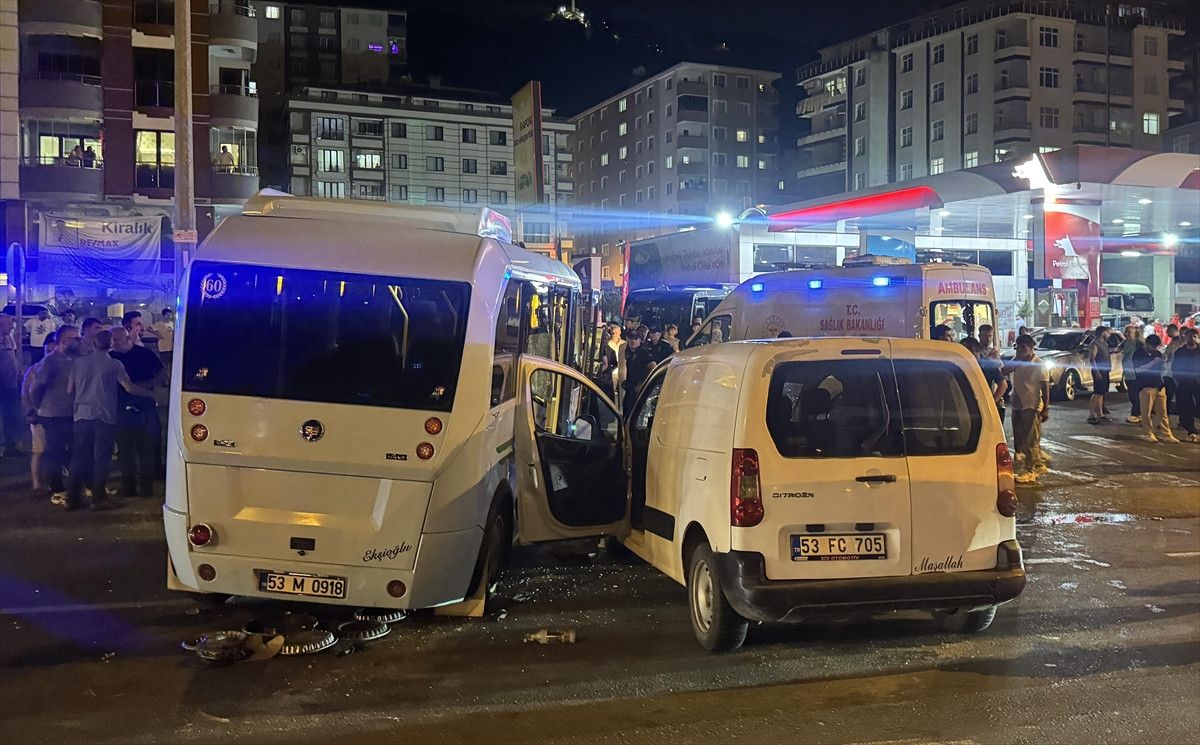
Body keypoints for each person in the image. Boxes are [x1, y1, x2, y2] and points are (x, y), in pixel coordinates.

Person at [65, 330, 153, 510]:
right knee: (101, 458)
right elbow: (128, 387)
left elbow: (69, 390)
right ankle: (98, 498)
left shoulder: (78, 363)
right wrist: (149, 394)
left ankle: (72, 498)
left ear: (93, 343)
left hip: (81, 415)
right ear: (110, 344)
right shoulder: (114, 364)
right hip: (105, 416)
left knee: (79, 456)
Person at [110, 326, 165, 498]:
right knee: (125, 449)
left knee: (148, 446)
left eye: (117, 339)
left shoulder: (144, 354)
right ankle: (129, 486)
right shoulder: (111, 357)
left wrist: (150, 385)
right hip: (121, 406)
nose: (114, 343)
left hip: (144, 405)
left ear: (127, 338)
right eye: (112, 340)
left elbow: (162, 373)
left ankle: (149, 484)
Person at [29, 325, 79, 503]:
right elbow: (35, 387)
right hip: (53, 413)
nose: (79, 341)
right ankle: (57, 488)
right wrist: (38, 407)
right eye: (75, 338)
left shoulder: (73, 359)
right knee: (55, 452)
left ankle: (73, 486)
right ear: (64, 341)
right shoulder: (51, 361)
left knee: (73, 450)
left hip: (71, 412)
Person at [1009, 334, 1050, 483]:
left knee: (1030, 438)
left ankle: (1030, 470)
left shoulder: (1038, 363)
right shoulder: (1017, 361)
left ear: (1031, 348)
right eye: (1018, 347)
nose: (1020, 350)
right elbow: (1004, 371)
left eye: (1023, 347)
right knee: (1020, 436)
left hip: (1031, 405)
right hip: (1017, 404)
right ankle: (1037, 464)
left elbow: (1045, 387)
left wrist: (1045, 408)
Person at [21, 334, 53, 498]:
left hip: (52, 413)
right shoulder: (35, 369)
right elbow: (25, 393)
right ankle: (36, 483)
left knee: (47, 449)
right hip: (39, 414)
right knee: (39, 449)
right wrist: (30, 411)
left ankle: (47, 481)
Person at [1131, 334, 1177, 444]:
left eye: (1156, 347)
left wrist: (1164, 362)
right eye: (1152, 346)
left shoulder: (1157, 353)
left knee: (1163, 412)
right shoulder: (1138, 354)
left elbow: (1162, 369)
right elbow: (1138, 370)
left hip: (1159, 385)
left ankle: (1167, 434)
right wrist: (1153, 362)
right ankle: (1148, 433)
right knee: (1146, 413)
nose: (1154, 349)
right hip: (1145, 386)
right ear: (1147, 343)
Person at [963, 337, 1009, 422]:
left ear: (975, 351)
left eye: (967, 351)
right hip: (965, 405)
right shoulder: (961, 365)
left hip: (983, 405)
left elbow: (1003, 385)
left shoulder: (987, 365)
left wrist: (991, 403)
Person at [0, 314, 22, 457]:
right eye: (9, 324)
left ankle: (10, 446)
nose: (11, 327)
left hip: (11, 384)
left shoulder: (8, 338)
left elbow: (13, 357)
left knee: (12, 415)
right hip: (2, 385)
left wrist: (18, 372)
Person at [1173, 328, 1200, 443]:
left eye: (1194, 337)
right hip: (1184, 382)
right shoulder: (1180, 352)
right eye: (1190, 337)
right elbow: (1175, 367)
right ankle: (1191, 431)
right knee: (1186, 406)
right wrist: (1178, 379)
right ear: (1186, 338)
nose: (1192, 339)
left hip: (1198, 382)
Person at [1086, 326, 1112, 424]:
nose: (1109, 335)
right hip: (1099, 371)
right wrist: (1096, 372)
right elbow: (1092, 359)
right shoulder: (1095, 343)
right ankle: (1091, 415)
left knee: (1101, 393)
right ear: (1103, 332)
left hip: (1105, 371)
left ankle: (1100, 414)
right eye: (1108, 333)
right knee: (1097, 393)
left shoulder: (1104, 344)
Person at [622, 330, 653, 406]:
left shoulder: (643, 352)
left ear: (639, 340)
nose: (633, 341)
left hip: (638, 388)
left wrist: (643, 384)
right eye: (631, 338)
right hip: (630, 387)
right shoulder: (629, 351)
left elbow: (653, 367)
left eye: (636, 339)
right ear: (627, 339)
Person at [1121, 324, 1143, 423]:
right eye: (1126, 332)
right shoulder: (1125, 342)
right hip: (1128, 372)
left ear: (1135, 333)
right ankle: (1139, 413)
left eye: (1129, 332)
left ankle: (1136, 414)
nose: (1127, 334)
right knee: (1132, 394)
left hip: (1135, 373)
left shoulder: (1139, 344)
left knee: (1134, 394)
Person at [599, 324, 625, 406]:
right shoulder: (607, 346)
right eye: (613, 333)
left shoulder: (623, 344)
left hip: (614, 374)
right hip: (607, 376)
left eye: (617, 332)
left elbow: (613, 363)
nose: (615, 334)